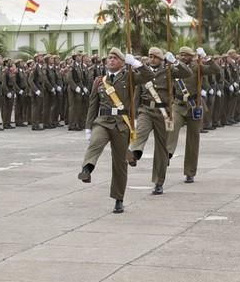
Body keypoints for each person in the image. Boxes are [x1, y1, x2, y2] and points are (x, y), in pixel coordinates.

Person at [77, 48, 153, 213]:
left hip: (121, 123)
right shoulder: (99, 81)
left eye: (114, 58)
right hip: (102, 122)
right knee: (95, 143)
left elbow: (148, 76)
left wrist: (136, 64)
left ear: (121, 61)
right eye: (109, 58)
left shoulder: (129, 77)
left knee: (119, 164)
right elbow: (93, 105)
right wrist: (88, 127)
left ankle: (119, 199)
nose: (110, 60)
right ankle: (86, 170)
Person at [127, 47, 192, 195]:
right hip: (146, 110)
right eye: (150, 56)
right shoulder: (142, 72)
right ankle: (134, 154)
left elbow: (187, 73)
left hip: (163, 113)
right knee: (141, 131)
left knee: (161, 149)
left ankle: (158, 181)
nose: (152, 59)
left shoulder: (169, 71)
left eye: (155, 57)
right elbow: (137, 94)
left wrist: (175, 62)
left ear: (161, 59)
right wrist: (132, 114)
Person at [166, 46, 220, 183]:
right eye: (181, 55)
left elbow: (215, 70)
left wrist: (207, 58)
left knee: (193, 139)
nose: (183, 57)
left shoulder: (198, 66)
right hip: (178, 104)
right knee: (172, 127)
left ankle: (190, 172)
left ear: (192, 56)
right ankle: (168, 153)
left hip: (194, 105)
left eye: (186, 55)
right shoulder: (174, 67)